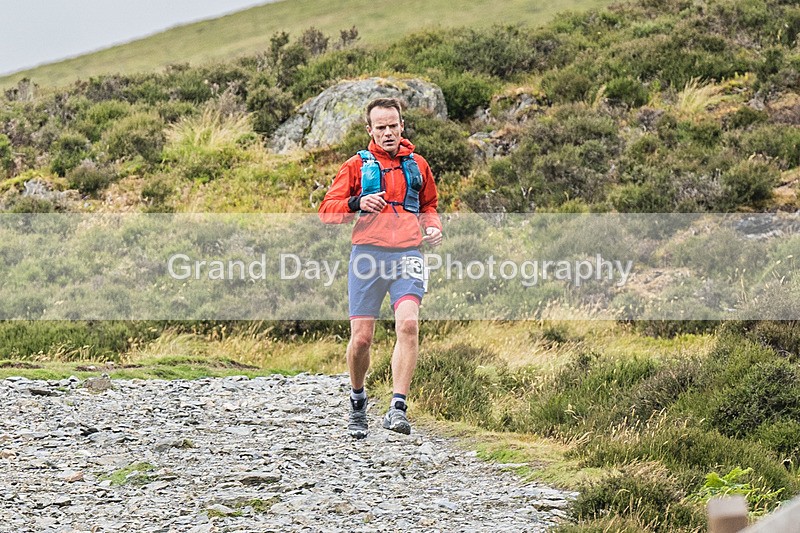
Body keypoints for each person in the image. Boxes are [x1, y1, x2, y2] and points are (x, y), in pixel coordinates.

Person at [318, 97, 443, 438]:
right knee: (361, 339)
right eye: (381, 127)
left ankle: (397, 408)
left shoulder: (418, 165)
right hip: (367, 257)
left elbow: (429, 206)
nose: (388, 132)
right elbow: (327, 211)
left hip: (408, 255)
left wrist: (433, 228)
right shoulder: (355, 166)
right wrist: (357, 202)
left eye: (393, 126)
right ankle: (358, 401)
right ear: (369, 130)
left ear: (402, 126)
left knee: (409, 325)